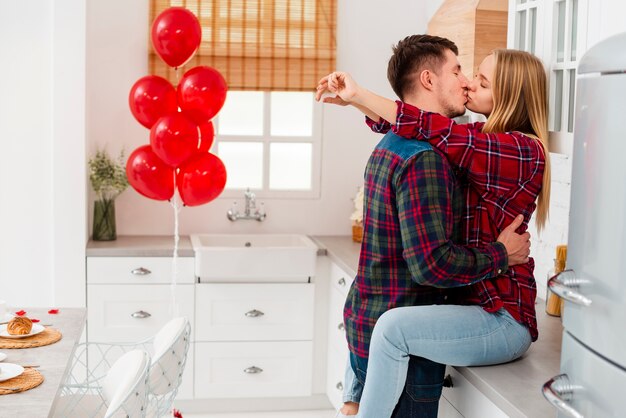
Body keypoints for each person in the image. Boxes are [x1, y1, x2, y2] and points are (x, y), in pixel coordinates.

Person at [317, 35, 548, 417]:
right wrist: (358, 101)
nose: (469, 83)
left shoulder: (519, 149)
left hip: (501, 312)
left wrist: (359, 95)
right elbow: (425, 128)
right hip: (474, 303)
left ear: (509, 97)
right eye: (465, 73)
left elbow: (435, 130)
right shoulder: (478, 138)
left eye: (482, 82)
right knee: (388, 323)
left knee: (391, 327)